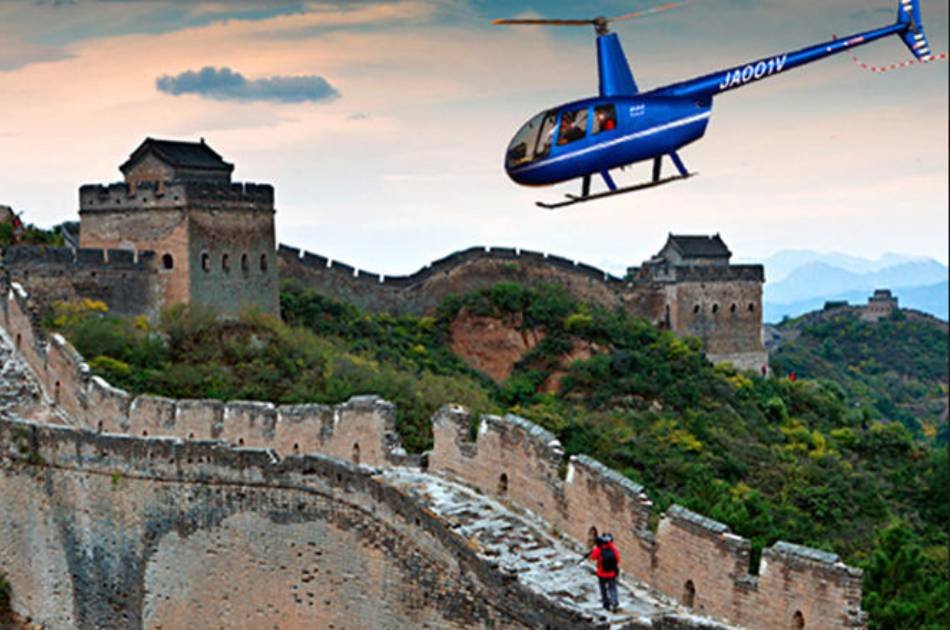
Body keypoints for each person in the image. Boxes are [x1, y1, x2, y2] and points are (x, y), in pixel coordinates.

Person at [588, 533, 621, 612]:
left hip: (602, 573)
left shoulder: (599, 550)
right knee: (612, 589)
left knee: (603, 590)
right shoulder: (613, 549)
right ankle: (614, 602)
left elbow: (592, 558)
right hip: (612, 573)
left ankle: (606, 605)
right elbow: (618, 559)